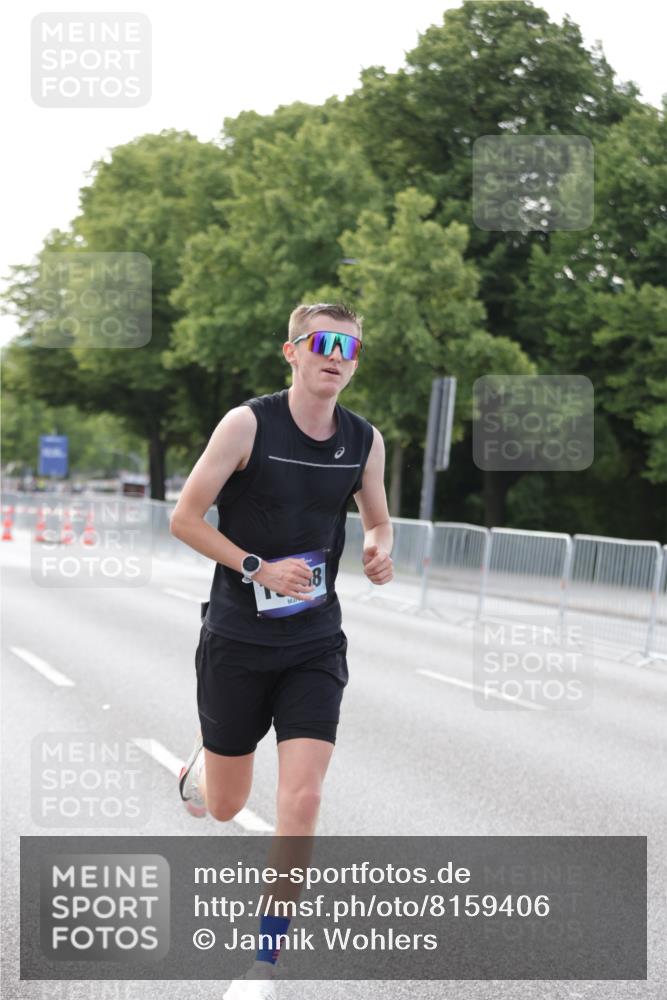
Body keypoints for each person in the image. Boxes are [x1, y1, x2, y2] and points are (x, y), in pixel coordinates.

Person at [169, 302, 394, 998]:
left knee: (302, 798)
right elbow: (184, 518)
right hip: (237, 637)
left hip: (313, 642)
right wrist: (255, 568)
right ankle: (203, 767)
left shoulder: (364, 439)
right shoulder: (247, 424)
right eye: (322, 343)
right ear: (290, 352)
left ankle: (264, 962)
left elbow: (378, 519)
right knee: (230, 805)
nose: (336, 355)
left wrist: (379, 548)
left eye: (349, 348)